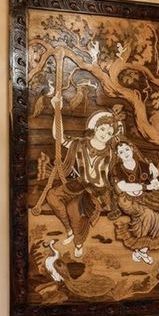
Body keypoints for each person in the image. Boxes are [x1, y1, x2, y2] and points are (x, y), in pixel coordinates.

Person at [44, 110, 116, 259]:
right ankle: (69, 230)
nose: (104, 134)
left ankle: (78, 243)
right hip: (79, 184)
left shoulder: (112, 153)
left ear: (112, 136)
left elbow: (130, 160)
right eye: (102, 129)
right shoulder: (79, 144)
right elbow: (59, 137)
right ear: (95, 128)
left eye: (109, 133)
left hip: (97, 191)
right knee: (51, 196)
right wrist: (57, 110)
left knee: (74, 209)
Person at [110, 139, 159, 254]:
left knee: (158, 214)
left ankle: (142, 249)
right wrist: (145, 187)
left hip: (144, 197)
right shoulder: (117, 168)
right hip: (127, 200)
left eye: (127, 149)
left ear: (132, 149)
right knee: (147, 214)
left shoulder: (144, 166)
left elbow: (156, 183)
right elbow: (123, 187)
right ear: (117, 155)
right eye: (121, 152)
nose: (125, 153)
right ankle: (140, 248)